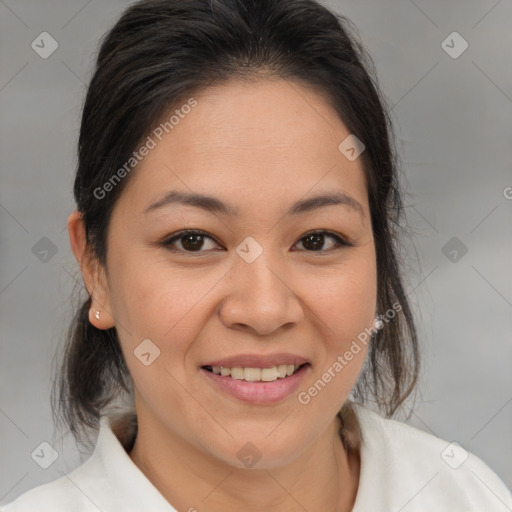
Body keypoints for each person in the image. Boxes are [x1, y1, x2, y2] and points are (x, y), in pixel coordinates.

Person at [2, 0, 511, 510]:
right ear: (97, 268)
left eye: (317, 240)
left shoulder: (466, 495)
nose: (264, 310)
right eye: (193, 240)